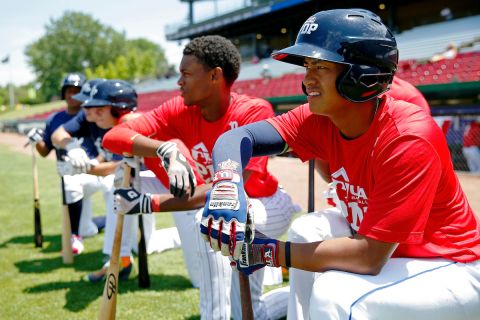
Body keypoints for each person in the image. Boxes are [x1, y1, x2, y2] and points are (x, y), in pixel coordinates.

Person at [200, 9, 480, 320]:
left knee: (335, 295)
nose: (307, 79)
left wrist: (266, 252)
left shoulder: (408, 135)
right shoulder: (319, 118)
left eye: (320, 66)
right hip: (394, 254)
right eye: (307, 66)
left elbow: (368, 257)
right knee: (306, 230)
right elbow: (238, 138)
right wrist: (227, 182)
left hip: (448, 266)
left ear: (360, 75)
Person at [102, 35, 300, 320]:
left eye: (186, 74)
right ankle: (291, 295)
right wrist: (163, 148)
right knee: (251, 313)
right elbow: (114, 137)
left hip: (265, 204)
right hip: (226, 211)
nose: (179, 82)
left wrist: (151, 204)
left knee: (209, 218)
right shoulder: (179, 108)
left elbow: (228, 191)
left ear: (214, 75)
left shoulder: (253, 111)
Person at [51, 79, 142, 281]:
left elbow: (121, 168)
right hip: (129, 185)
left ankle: (117, 259)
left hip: (146, 184)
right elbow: (58, 134)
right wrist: (71, 147)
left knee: (116, 187)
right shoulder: (90, 118)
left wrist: (86, 168)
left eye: (92, 105)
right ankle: (119, 258)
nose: (86, 109)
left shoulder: (128, 123)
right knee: (147, 242)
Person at [26, 73, 104, 255]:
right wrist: (36, 140)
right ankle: (100, 224)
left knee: (74, 185)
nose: (72, 95)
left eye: (77, 91)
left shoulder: (91, 115)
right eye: (69, 91)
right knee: (88, 229)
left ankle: (74, 236)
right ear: (63, 93)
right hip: (67, 172)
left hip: (93, 171)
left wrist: (93, 163)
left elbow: (104, 147)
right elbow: (45, 151)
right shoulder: (55, 119)